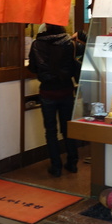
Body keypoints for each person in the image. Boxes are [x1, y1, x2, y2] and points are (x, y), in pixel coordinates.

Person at [28, 23, 80, 177]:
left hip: (47, 92)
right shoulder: (69, 43)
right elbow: (73, 66)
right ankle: (72, 163)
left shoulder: (37, 44)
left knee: (50, 131)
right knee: (68, 128)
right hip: (66, 90)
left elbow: (32, 67)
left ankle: (56, 166)